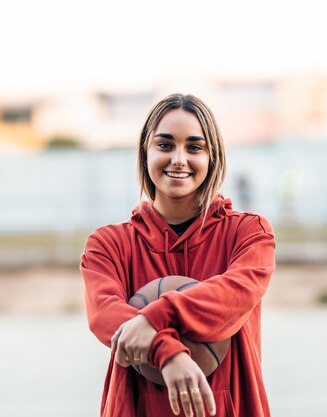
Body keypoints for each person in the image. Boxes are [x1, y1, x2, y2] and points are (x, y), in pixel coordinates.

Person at [80, 93, 276, 417]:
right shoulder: (108, 244)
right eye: (165, 145)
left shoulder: (249, 233)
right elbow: (105, 315)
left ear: (212, 157)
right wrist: (169, 354)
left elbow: (233, 294)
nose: (179, 159)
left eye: (194, 147)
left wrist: (155, 318)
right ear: (146, 152)